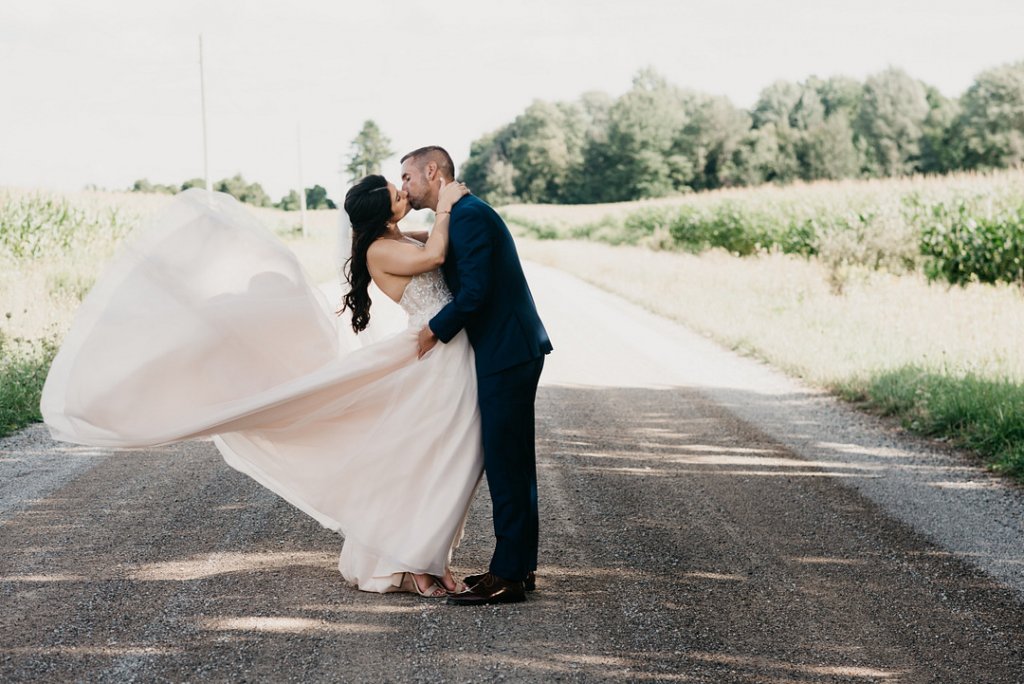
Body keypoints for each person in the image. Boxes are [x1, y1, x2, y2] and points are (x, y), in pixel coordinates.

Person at [40, 176, 480, 598]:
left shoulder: (398, 236)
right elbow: (437, 255)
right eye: (396, 194)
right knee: (440, 454)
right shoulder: (380, 249)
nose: (404, 192)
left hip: (447, 349)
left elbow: (444, 239)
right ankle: (421, 560)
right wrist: (445, 202)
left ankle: (418, 555)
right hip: (432, 351)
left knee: (430, 455)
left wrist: (451, 211)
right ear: (383, 214)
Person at [401, 146, 552, 605]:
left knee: (506, 466)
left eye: (407, 177)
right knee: (515, 464)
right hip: (512, 348)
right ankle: (520, 567)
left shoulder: (467, 215)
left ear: (433, 172)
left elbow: (475, 294)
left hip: (507, 351)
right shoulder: (461, 212)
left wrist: (433, 330)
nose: (404, 186)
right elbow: (439, 255)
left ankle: (506, 576)